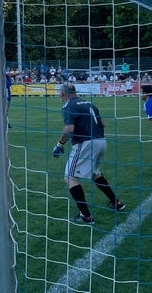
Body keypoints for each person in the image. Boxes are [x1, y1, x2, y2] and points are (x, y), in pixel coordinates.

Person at [53, 83, 124, 224]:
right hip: (101, 141)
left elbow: (69, 129)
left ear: (63, 93)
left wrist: (59, 145)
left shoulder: (68, 106)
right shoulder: (90, 104)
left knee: (69, 177)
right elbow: (102, 124)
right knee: (95, 173)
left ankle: (85, 216)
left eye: (59, 93)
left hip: (85, 143)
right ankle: (116, 203)